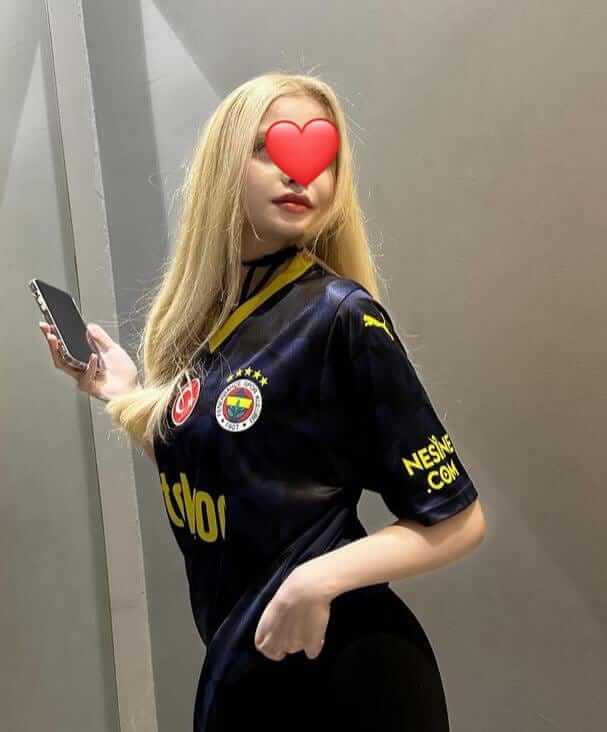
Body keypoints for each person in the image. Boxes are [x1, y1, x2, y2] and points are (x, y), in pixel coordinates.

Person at [40, 72, 486, 732]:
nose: (299, 171)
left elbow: (459, 519)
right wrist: (126, 395)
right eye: (268, 148)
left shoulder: (341, 318)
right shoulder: (214, 325)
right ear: (224, 164)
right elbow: (233, 473)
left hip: (347, 674)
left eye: (319, 156)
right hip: (246, 666)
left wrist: (316, 579)